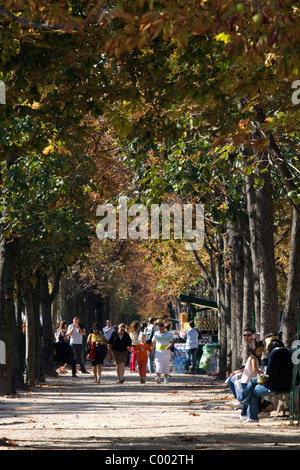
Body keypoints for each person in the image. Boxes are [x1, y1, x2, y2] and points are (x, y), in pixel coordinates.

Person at [238, 334, 293, 423]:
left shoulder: (274, 353)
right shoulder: (286, 351)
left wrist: (263, 378)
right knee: (252, 381)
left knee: (253, 390)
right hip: (287, 383)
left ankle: (249, 411)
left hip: (275, 385)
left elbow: (269, 373)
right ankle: (243, 399)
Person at [226, 328, 255, 403]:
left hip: (252, 373)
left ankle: (241, 401)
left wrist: (241, 372)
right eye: (244, 335)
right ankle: (239, 400)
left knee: (238, 381)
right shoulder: (250, 347)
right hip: (247, 371)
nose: (246, 337)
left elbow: (254, 366)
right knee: (230, 380)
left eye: (248, 335)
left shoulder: (255, 348)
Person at [239, 340, 264, 419]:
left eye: (261, 350)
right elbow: (254, 370)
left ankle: (245, 413)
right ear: (254, 349)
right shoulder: (253, 359)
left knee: (248, 397)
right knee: (247, 398)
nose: (260, 352)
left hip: (246, 380)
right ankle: (244, 413)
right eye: (259, 350)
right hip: (247, 381)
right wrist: (262, 373)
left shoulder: (251, 358)